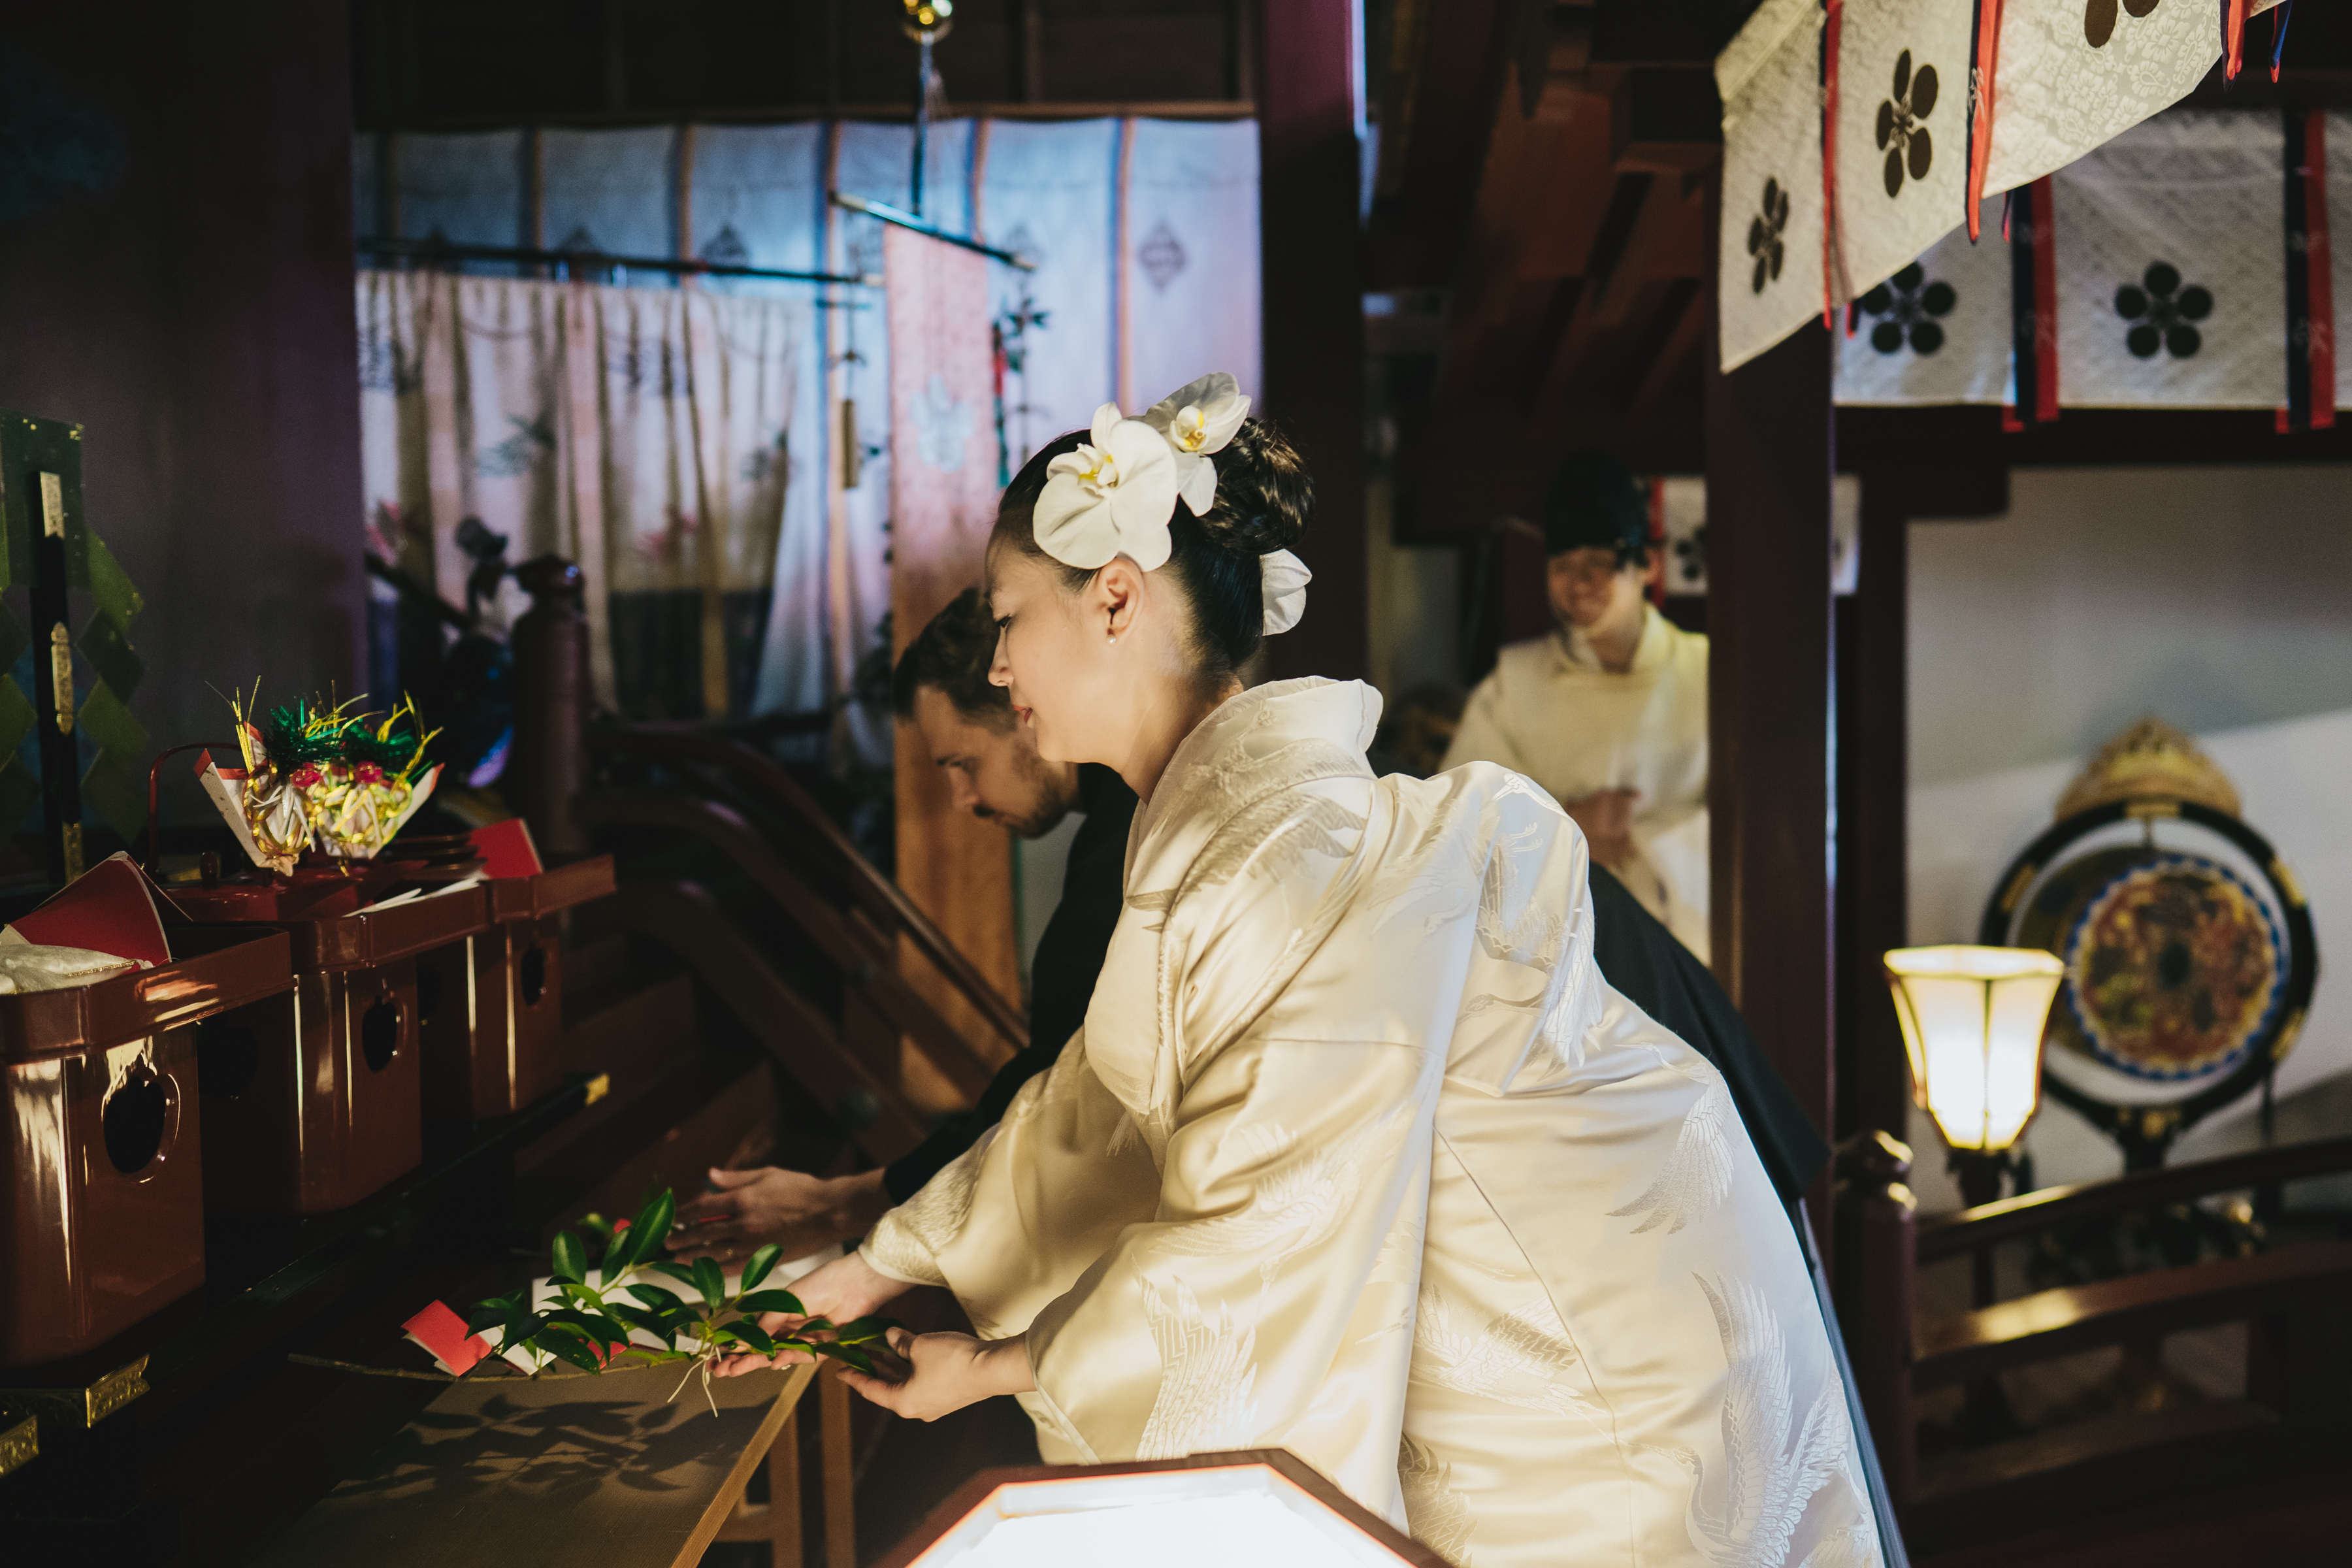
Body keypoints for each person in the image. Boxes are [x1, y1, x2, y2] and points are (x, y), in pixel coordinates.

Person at [732, 376, 1879, 1568]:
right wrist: (871, 1269)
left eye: (1008, 616)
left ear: (1115, 597)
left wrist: (991, 1366)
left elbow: (1259, 1244)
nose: (1003, 661)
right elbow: (1093, 1112)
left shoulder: (1281, 854)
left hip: (1591, 1354)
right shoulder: (1227, 828)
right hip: (1575, 1280)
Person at [665, 588, 1137, 1266]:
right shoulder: (1123, 815)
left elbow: (1053, 1101)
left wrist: (834, 1209)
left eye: (963, 764)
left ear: (1024, 706)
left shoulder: (1128, 833)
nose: (962, 800)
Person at [1443, 452, 1711, 960]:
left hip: (1687, 948)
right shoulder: (1515, 685)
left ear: (1650, 565)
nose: (1579, 583)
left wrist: (1642, 841)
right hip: (1559, 953)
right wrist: (1567, 824)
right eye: (1562, 566)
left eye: (1599, 564)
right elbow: (1457, 819)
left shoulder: (1708, 674)